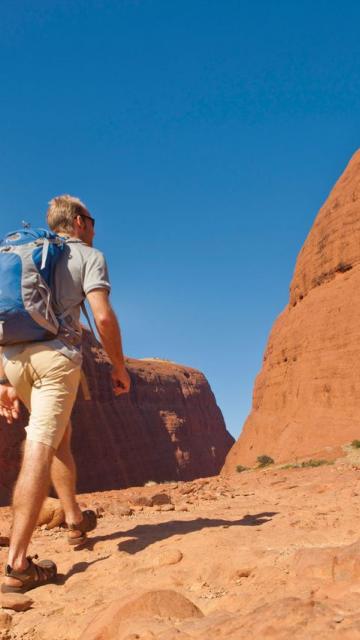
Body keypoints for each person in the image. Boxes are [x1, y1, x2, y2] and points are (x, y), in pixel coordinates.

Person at [0, 195, 130, 593]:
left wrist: (4, 380)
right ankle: (17, 565)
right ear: (77, 222)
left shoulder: (25, 253)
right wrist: (119, 367)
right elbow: (103, 316)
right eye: (91, 219)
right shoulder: (87, 255)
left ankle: (74, 519)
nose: (94, 226)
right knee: (40, 444)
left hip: (15, 359)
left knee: (61, 435)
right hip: (56, 360)